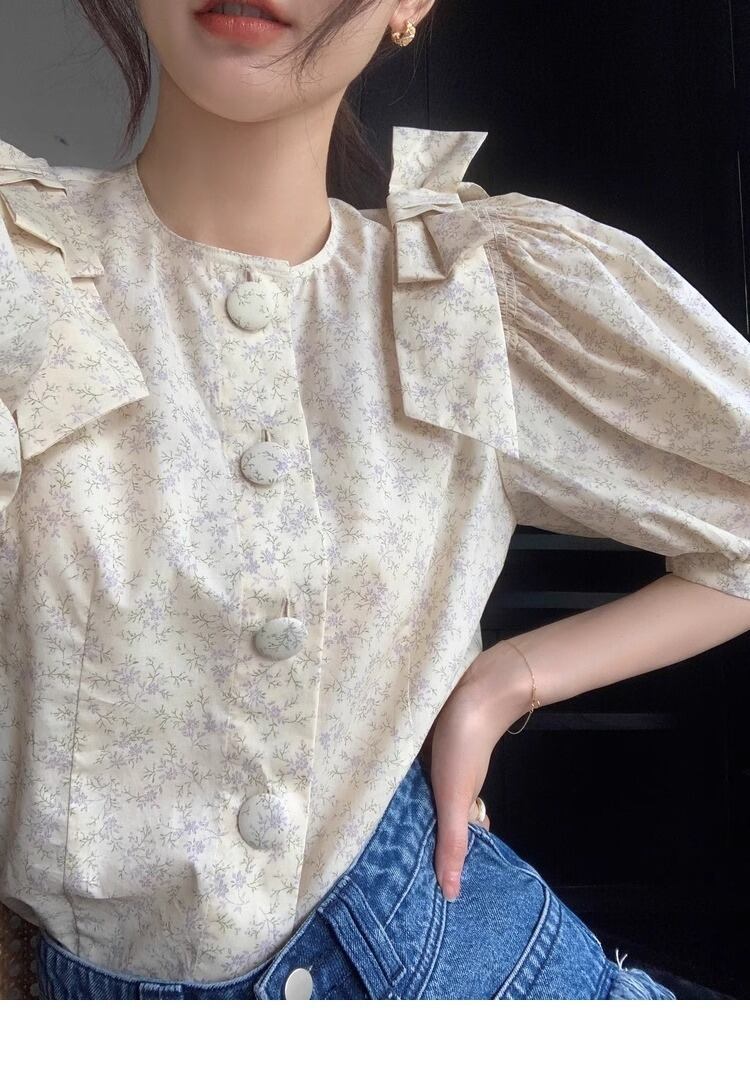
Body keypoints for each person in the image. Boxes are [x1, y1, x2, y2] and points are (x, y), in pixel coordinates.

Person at [0, 0, 748, 1001]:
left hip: (465, 970)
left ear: (409, 6)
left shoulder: (471, 297)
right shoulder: (25, 278)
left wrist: (507, 681)